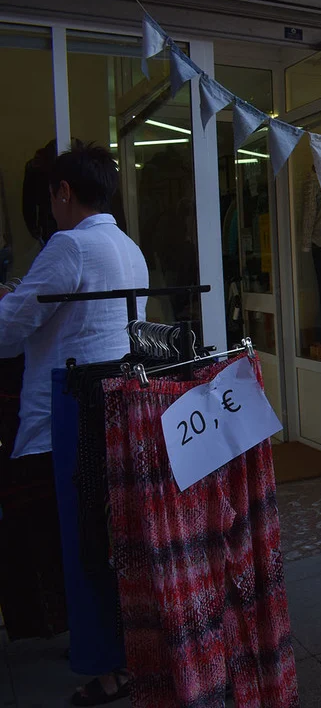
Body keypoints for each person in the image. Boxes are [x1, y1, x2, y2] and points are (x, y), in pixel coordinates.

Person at [0, 140, 149, 706]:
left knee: (82, 543)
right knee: (107, 539)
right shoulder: (128, 246)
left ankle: (109, 663)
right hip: (115, 410)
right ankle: (119, 649)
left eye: (52, 197)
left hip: (69, 416)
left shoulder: (70, 244)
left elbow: (10, 329)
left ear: (64, 192)